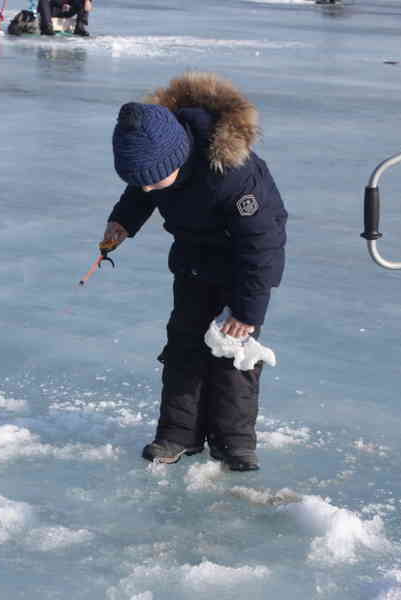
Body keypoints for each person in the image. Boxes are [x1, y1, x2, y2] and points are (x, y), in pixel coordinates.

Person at [103, 72, 287, 471]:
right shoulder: (157, 165)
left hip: (241, 269)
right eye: (141, 181)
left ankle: (233, 441)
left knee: (232, 353)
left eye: (154, 181)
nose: (148, 189)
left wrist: (247, 311)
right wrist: (123, 221)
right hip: (192, 262)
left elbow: (263, 246)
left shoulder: (233, 175)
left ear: (178, 158)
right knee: (183, 346)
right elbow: (140, 190)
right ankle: (178, 433)